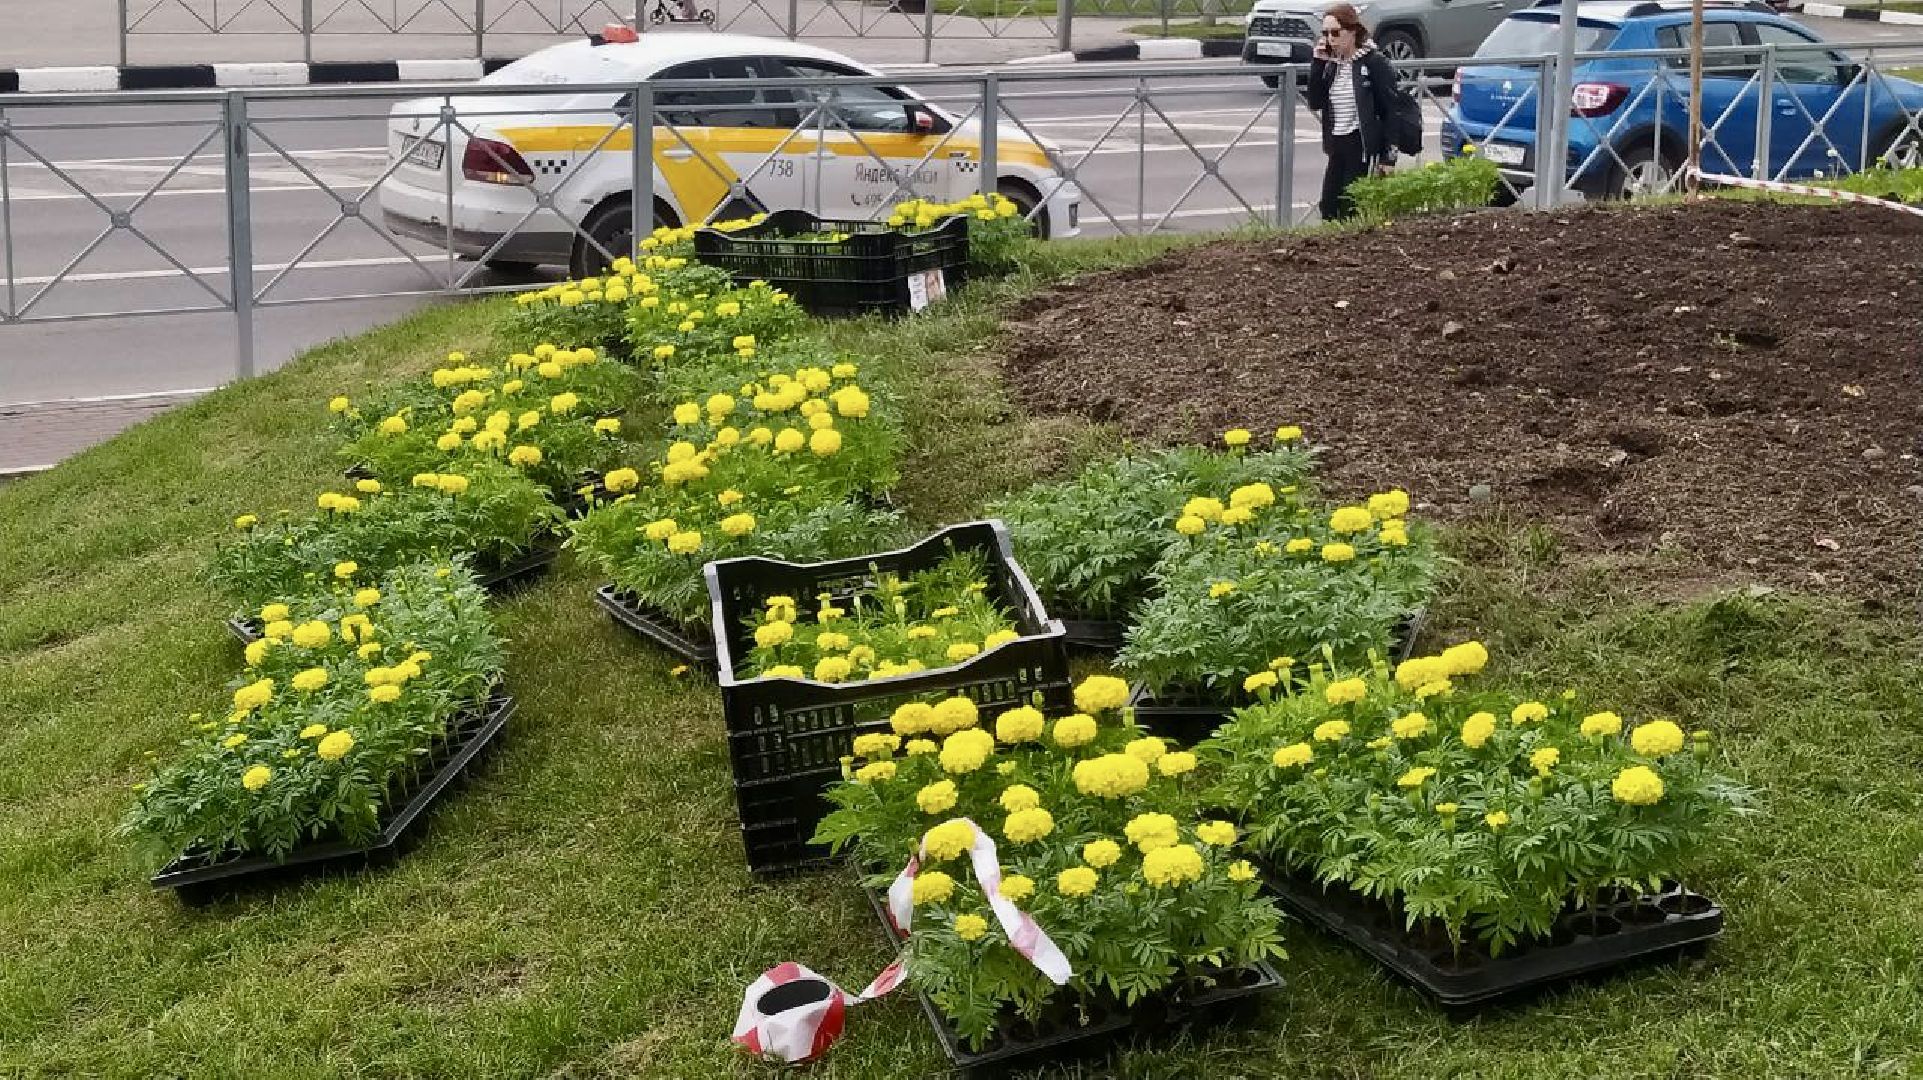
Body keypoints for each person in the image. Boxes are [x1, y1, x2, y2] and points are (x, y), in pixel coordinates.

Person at [1305, 3, 1402, 222]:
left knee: (1352, 205)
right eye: (1326, 33)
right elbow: (1315, 101)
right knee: (1329, 205)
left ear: (1352, 31)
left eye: (1335, 32)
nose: (1330, 38)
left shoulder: (1373, 62)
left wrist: (1389, 157)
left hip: (1362, 145)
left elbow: (1391, 111)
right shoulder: (1332, 65)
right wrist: (1318, 64)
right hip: (1336, 145)